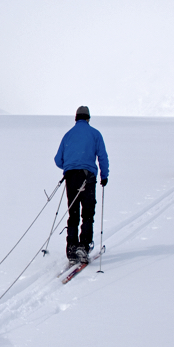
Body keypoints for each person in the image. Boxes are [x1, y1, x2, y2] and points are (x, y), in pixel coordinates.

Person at [54, 105, 109, 264]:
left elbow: (58, 160)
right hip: (88, 177)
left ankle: (71, 248)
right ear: (88, 118)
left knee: (73, 213)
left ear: (76, 118)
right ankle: (83, 247)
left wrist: (70, 166)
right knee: (87, 213)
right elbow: (102, 156)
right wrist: (104, 176)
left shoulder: (68, 135)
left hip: (71, 177)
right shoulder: (95, 134)